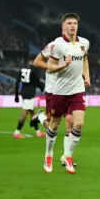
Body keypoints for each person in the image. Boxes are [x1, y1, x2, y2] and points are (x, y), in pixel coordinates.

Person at [44, 13, 90, 174]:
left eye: (75, 23)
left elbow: (85, 59)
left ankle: (67, 155)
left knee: (78, 123)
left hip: (77, 89)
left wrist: (87, 76)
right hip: (60, 90)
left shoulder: (84, 43)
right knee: (54, 124)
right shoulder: (57, 45)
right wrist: (62, 65)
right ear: (63, 26)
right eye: (69, 23)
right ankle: (48, 155)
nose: (72, 26)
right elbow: (49, 65)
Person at [31, 40, 77, 168]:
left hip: (69, 89)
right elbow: (37, 61)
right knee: (52, 124)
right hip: (53, 90)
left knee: (70, 120)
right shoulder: (53, 45)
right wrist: (54, 67)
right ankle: (41, 117)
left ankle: (66, 157)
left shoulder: (77, 46)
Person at [13, 57, 45, 138]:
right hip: (30, 93)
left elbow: (17, 82)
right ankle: (17, 132)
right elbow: (37, 81)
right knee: (25, 113)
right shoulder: (34, 70)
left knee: (32, 112)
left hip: (23, 91)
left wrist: (16, 95)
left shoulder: (22, 69)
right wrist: (42, 87)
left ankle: (38, 132)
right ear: (34, 60)